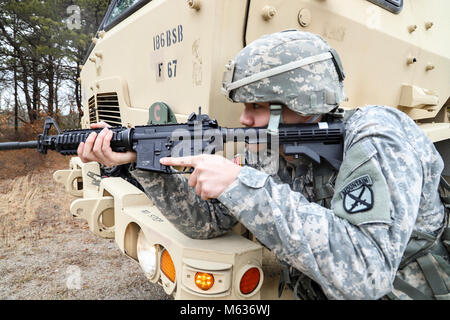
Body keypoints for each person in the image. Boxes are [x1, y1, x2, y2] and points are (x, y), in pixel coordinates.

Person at [77, 30, 450, 300]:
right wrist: (145, 164)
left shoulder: (378, 137)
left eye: (256, 106)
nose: (243, 119)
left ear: (299, 100)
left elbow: (366, 275)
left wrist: (241, 185)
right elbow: (205, 223)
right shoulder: (273, 141)